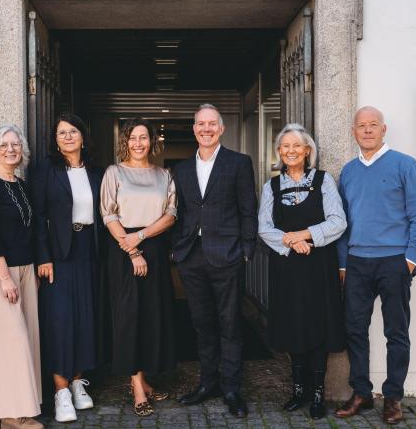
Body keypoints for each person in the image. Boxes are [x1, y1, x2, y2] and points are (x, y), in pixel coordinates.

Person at [334, 106, 416, 424]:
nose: (367, 130)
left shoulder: (405, 165)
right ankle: (362, 393)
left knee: (396, 332)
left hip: (393, 262)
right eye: (361, 126)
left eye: (372, 125)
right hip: (358, 263)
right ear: (353, 132)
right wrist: (343, 263)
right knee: (355, 330)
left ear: (383, 129)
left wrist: (410, 259)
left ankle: (393, 398)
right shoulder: (348, 172)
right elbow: (342, 223)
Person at [172, 104, 257, 418]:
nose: (205, 129)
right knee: (202, 324)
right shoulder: (180, 170)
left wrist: (247, 251)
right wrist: (176, 250)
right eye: (200, 124)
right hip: (191, 258)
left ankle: (232, 387)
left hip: (228, 256)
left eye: (212, 124)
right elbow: (178, 213)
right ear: (194, 129)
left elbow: (249, 209)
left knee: (231, 324)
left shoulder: (238, 163)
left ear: (221, 129)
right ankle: (208, 383)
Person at [257, 123, 347, 418]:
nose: (291, 151)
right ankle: (298, 391)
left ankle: (318, 393)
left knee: (318, 325)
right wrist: (291, 243)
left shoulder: (324, 181)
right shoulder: (271, 186)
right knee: (293, 324)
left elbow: (337, 222)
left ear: (308, 151)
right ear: (279, 152)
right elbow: (264, 228)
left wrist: (304, 235)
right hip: (287, 267)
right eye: (285, 146)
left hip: (319, 266)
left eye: (297, 146)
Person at [100, 118, 177, 417]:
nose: (138, 143)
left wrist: (142, 237)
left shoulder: (163, 174)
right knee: (129, 318)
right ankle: (137, 388)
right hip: (123, 249)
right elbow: (108, 214)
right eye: (133, 138)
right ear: (125, 141)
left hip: (154, 248)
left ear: (152, 141)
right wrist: (133, 251)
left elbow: (171, 214)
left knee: (151, 317)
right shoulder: (114, 172)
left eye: (143, 137)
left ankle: (143, 381)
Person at [30, 113, 101, 423]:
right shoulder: (45, 169)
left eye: (74, 131)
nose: (68, 136)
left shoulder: (97, 172)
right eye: (62, 133)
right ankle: (60, 390)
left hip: (89, 249)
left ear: (83, 137)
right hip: (57, 253)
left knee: (85, 315)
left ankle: (77, 381)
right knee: (59, 317)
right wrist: (43, 256)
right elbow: (37, 216)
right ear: (55, 140)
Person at [0, 125, 43, 429]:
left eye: (15, 144)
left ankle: (22, 406)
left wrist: (32, 270)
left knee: (28, 340)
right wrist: (4, 277)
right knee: (10, 342)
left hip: (25, 269)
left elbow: (29, 230)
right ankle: (12, 416)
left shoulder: (21, 185)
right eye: (4, 145)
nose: (11, 149)